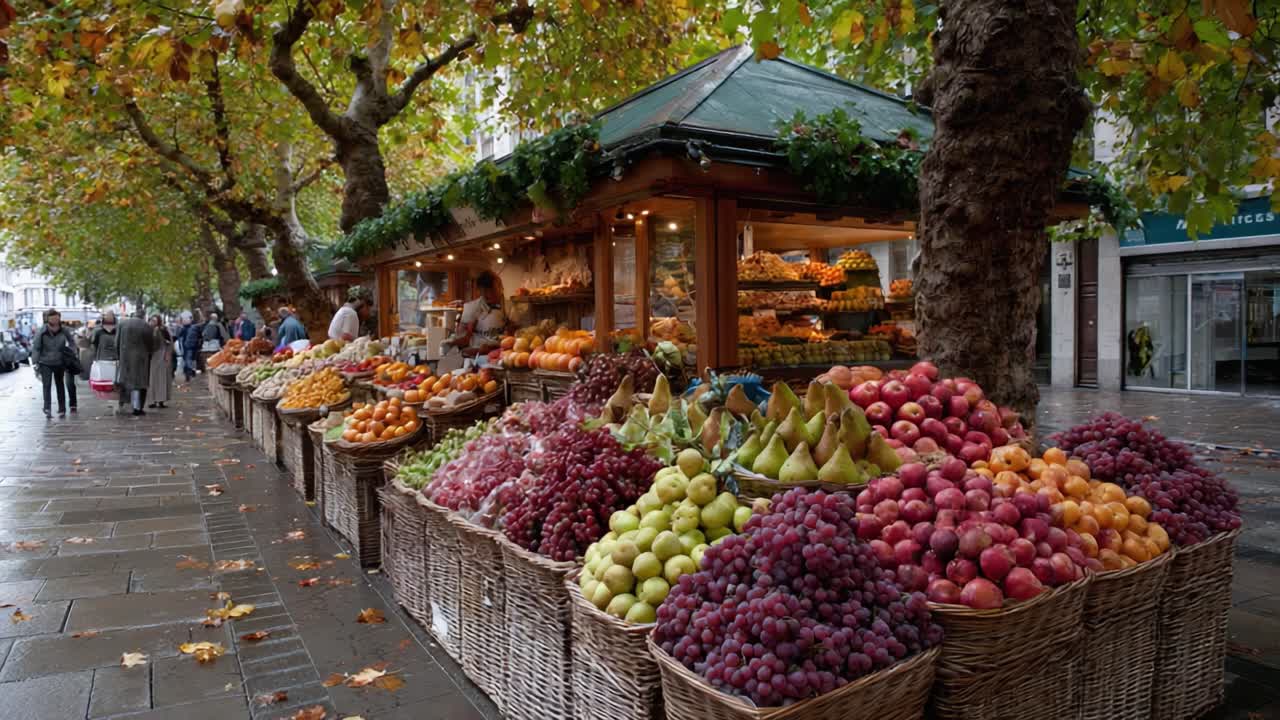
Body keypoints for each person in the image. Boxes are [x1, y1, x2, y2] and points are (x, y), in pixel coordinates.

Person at [448, 271, 508, 356]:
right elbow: (463, 341)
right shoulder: (471, 308)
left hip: (503, 355)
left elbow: (516, 337)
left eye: (492, 290)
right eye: (484, 291)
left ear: (501, 287)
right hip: (476, 357)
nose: (488, 294)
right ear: (479, 290)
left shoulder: (510, 308)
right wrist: (453, 343)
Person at [32, 310, 78, 418]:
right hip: (45, 362)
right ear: (48, 319)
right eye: (52, 318)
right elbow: (36, 348)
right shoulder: (41, 331)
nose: (54, 320)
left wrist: (71, 353)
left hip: (59, 361)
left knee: (60, 384)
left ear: (59, 318)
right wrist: (35, 362)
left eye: (56, 317)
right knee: (46, 385)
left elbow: (72, 342)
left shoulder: (64, 330)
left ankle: (62, 409)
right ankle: (47, 408)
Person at [116, 310, 156, 416]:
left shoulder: (122, 324)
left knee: (126, 382)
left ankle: (124, 403)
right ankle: (138, 408)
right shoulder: (146, 326)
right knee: (140, 384)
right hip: (141, 359)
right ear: (143, 316)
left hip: (125, 358)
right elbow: (150, 344)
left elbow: (117, 341)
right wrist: (149, 354)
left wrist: (118, 355)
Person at [147, 314, 173, 409]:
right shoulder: (149, 330)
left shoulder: (163, 330)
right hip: (153, 357)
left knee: (162, 379)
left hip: (161, 356)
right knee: (153, 379)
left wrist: (167, 354)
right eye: (152, 320)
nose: (153, 322)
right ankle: (152, 400)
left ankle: (161, 400)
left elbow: (169, 343)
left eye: (155, 320)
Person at [178, 312, 200, 381]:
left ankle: (189, 373)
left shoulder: (185, 328)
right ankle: (189, 373)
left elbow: (179, 337)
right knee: (189, 361)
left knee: (188, 360)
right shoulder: (194, 327)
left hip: (188, 347)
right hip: (190, 347)